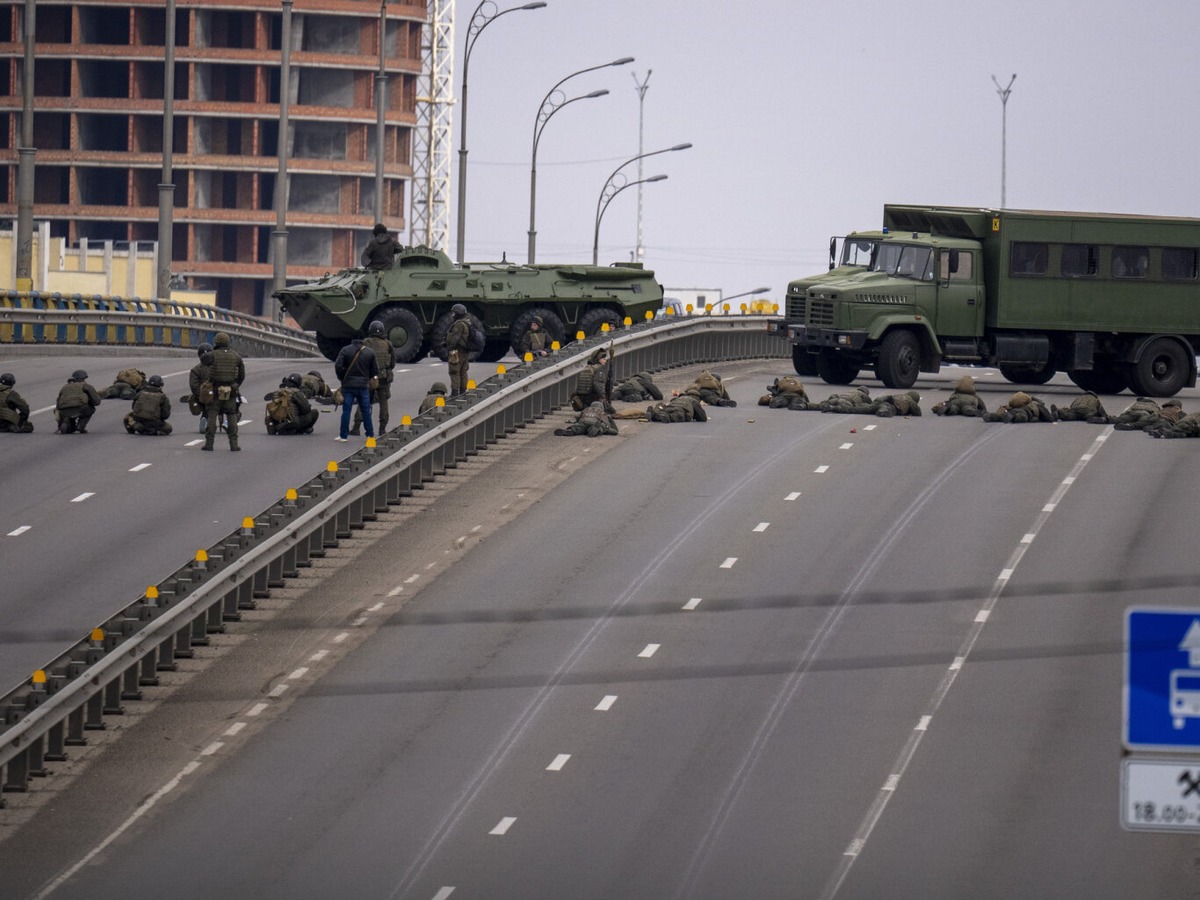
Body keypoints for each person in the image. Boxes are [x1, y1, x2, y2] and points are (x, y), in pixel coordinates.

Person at [352, 320, 395, 435]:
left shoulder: (365, 343)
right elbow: (392, 363)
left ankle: (356, 427)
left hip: (368, 377)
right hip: (382, 378)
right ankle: (382, 428)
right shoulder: (388, 344)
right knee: (383, 402)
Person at [204, 331, 245, 451]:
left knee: (212, 414)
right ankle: (234, 444)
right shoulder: (236, 356)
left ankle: (209, 444)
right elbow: (242, 375)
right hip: (230, 389)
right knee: (231, 414)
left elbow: (203, 361)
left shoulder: (213, 355)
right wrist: (236, 385)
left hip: (215, 388)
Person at [334, 335, 379, 442]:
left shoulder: (345, 350)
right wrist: (368, 378)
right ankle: (370, 434)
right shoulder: (370, 352)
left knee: (346, 411)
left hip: (348, 386)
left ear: (352, 339)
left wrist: (342, 378)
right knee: (365, 411)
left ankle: (343, 436)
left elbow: (338, 366)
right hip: (363, 386)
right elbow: (375, 370)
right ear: (362, 340)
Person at [55, 369, 102, 434]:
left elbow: (58, 400)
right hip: (80, 408)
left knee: (68, 425)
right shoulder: (86, 386)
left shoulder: (65, 387)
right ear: (84, 378)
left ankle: (65, 422)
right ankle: (80, 426)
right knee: (91, 409)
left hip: (64, 410)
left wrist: (59, 410)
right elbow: (97, 401)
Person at [569, 347, 611, 412]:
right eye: (603, 359)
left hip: (581, 398)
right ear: (598, 359)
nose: (605, 361)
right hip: (591, 397)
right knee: (611, 411)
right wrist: (603, 397)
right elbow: (599, 385)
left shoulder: (587, 368)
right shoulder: (599, 369)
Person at [185, 343, 214, 430]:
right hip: (218, 394)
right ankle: (228, 421)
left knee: (205, 404)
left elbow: (194, 386)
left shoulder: (196, 369)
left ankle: (204, 418)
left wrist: (200, 396)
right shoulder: (218, 367)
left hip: (204, 397)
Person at [445, 303, 472, 396]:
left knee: (454, 371)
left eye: (454, 313)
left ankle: (455, 392)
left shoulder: (459, 325)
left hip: (457, 351)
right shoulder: (467, 322)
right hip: (465, 351)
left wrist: (449, 348)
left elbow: (455, 339)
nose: (452, 315)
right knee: (463, 371)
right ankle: (463, 390)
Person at [1113, 397, 1183, 431]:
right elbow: (1184, 420)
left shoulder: (1163, 409)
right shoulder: (1180, 412)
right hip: (1165, 420)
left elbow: (1154, 412)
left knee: (1143, 422)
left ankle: (1130, 425)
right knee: (1162, 424)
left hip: (1155, 416)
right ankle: (1152, 428)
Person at [553, 400, 619, 437]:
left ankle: (571, 431)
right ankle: (595, 430)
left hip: (583, 421)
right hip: (594, 422)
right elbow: (608, 425)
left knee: (578, 427)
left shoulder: (586, 409)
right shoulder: (601, 412)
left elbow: (579, 418)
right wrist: (610, 420)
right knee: (604, 427)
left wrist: (576, 424)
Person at [983, 391, 1053, 422]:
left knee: (1001, 416)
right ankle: (1013, 417)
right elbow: (1049, 417)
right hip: (1023, 413)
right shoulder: (1034, 405)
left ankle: (991, 416)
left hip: (1012, 410)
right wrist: (1055, 414)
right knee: (1022, 417)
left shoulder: (1013, 407)